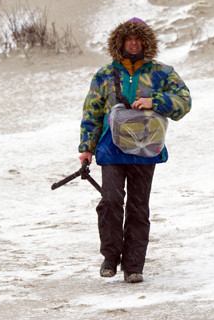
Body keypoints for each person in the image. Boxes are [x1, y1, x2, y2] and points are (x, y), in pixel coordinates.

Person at [79, 17, 191, 283]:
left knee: (139, 208)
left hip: (146, 150)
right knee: (110, 202)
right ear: (120, 43)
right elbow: (92, 113)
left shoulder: (162, 72)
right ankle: (110, 256)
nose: (133, 43)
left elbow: (184, 102)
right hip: (110, 150)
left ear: (146, 42)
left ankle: (134, 267)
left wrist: (155, 100)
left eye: (138, 39)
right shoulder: (105, 74)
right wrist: (86, 148)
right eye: (128, 39)